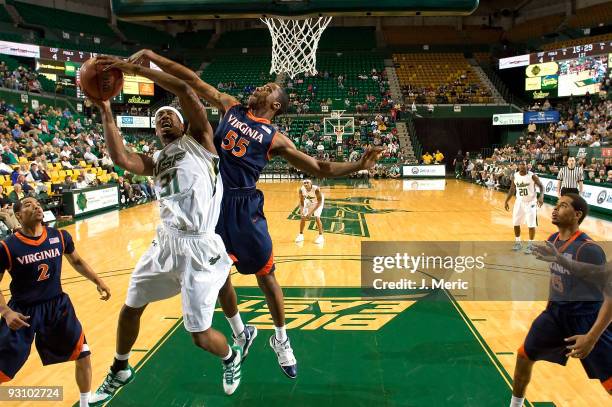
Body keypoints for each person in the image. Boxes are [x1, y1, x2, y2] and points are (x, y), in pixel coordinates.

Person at [129, 48, 383, 379]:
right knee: (218, 277)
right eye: (262, 85)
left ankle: (281, 340)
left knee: (267, 276)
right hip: (211, 205)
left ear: (276, 104)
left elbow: (320, 166)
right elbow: (190, 79)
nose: (262, 87)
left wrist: (359, 165)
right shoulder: (230, 106)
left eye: (268, 89)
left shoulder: (275, 138)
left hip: (244, 207)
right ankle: (240, 331)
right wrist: (151, 58)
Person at [87, 56, 251, 405]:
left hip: (199, 246)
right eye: (159, 118)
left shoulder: (202, 142)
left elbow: (186, 89)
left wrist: (139, 71)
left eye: (170, 116)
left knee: (200, 336)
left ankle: (231, 356)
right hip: (165, 243)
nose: (163, 117)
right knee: (131, 306)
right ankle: (120, 368)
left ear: (183, 124)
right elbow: (121, 159)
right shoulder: (156, 160)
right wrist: (105, 109)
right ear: (156, 131)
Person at [0, 197, 111, 407]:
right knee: (3, 368)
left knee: (83, 352)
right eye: (28, 205)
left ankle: (85, 402)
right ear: (18, 215)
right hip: (22, 312)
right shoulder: (7, 247)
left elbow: (77, 261)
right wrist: (6, 312)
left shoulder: (59, 236)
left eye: (37, 203)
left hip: (57, 306)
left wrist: (98, 281)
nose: (36, 206)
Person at [509, 194, 611, 406]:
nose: (555, 209)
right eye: (556, 205)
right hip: (556, 314)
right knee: (524, 355)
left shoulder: (588, 249)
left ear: (577, 215)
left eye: (563, 206)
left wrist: (591, 337)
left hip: (587, 319)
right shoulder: (552, 241)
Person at [504, 161, 544, 254]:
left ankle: (530, 245)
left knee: (531, 224)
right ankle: (518, 243)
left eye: (524, 164)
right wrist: (506, 201)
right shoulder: (515, 176)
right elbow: (512, 189)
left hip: (531, 202)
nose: (522, 166)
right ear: (518, 166)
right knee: (516, 222)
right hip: (519, 202)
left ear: (527, 166)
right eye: (521, 164)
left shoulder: (532, 176)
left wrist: (541, 196)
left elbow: (541, 186)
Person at [295, 179, 325, 244]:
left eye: (307, 183)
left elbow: (319, 202)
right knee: (303, 217)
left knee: (317, 217)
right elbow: (301, 201)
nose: (306, 184)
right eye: (304, 183)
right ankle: (301, 235)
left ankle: (321, 236)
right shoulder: (301, 190)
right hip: (308, 201)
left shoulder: (316, 189)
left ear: (311, 183)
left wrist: (310, 213)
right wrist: (301, 210)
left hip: (317, 202)